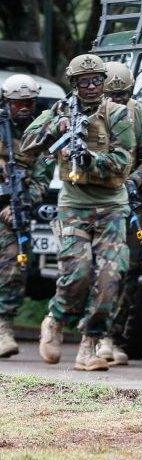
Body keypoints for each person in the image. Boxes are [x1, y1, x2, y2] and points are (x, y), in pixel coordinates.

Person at [20, 54, 135, 371]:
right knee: (77, 274)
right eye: (84, 81)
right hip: (74, 206)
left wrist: (89, 161)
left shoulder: (117, 115)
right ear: (74, 84)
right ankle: (55, 319)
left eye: (97, 80)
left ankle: (89, 344)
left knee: (111, 278)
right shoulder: (58, 111)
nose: (92, 86)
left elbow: (123, 160)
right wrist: (54, 131)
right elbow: (27, 146)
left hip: (112, 205)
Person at [99, 61, 142, 366]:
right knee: (96, 267)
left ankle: (113, 336)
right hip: (94, 201)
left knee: (133, 262)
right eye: (111, 96)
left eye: (122, 96)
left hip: (129, 202)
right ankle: (91, 333)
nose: (116, 103)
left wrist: (133, 181)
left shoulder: (141, 115)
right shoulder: (87, 117)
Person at [0, 74, 42, 358]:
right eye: (18, 103)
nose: (24, 107)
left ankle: (3, 327)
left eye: (28, 102)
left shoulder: (38, 135)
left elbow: (42, 180)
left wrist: (21, 202)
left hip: (12, 211)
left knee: (13, 267)